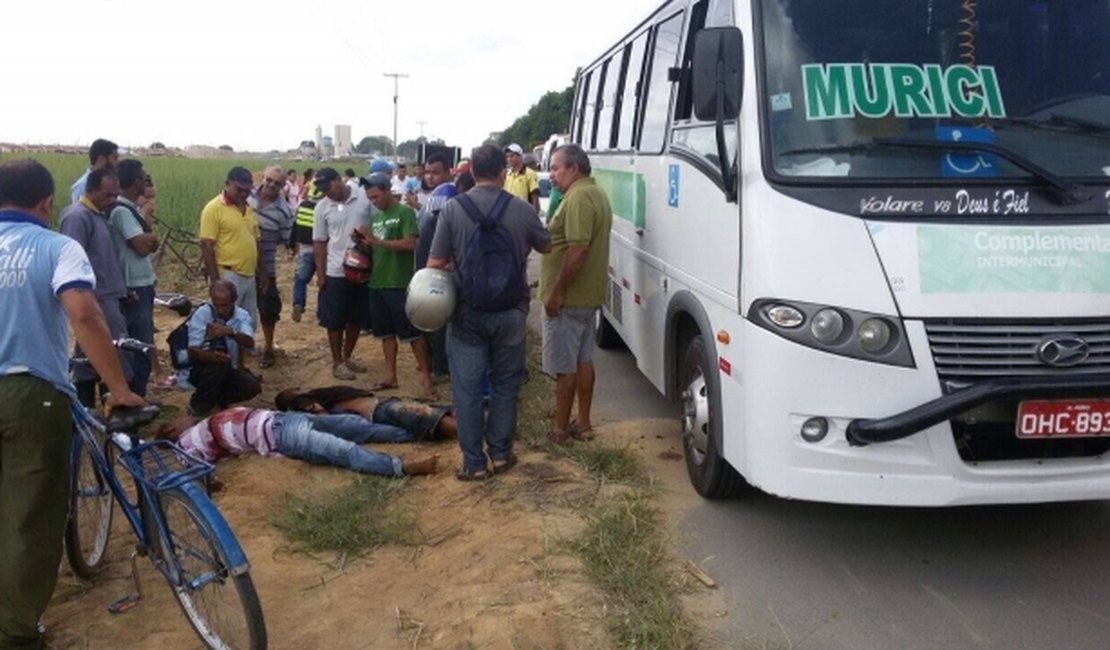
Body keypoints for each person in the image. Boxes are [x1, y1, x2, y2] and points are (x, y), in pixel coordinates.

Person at [0, 159, 144, 649]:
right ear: (46, 202)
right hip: (29, 392)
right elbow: (84, 313)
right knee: (32, 517)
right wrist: (119, 388)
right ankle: (18, 633)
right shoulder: (58, 247)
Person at [428, 144, 552, 480]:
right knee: (506, 385)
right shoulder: (522, 209)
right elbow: (547, 245)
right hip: (512, 310)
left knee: (467, 391)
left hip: (467, 313)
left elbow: (435, 263)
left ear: (470, 173)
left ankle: (474, 464)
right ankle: (500, 455)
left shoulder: (453, 209)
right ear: (503, 172)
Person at [540, 145, 613, 443]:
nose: (552, 175)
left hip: (569, 300)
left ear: (574, 168)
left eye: (556, 168)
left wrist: (556, 293)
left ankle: (560, 430)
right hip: (587, 296)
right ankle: (582, 424)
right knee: (583, 361)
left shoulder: (580, 197)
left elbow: (577, 251)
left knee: (564, 367)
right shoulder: (593, 193)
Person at [156, 407, 438, 478]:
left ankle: (421, 432)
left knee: (354, 427)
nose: (185, 416)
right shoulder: (185, 443)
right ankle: (399, 467)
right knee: (345, 448)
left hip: (282, 419)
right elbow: (196, 472)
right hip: (281, 435)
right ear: (170, 429)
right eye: (179, 419)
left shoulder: (202, 426)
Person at [59, 168, 137, 405]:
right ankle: (116, 412)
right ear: (89, 190)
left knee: (87, 358)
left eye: (115, 195)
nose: (112, 201)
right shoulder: (77, 217)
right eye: (106, 195)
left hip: (108, 297)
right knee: (114, 356)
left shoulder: (98, 215)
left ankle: (92, 415)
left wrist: (121, 290)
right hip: (96, 301)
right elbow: (72, 262)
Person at [355, 173, 436, 397]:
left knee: (412, 333)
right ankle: (390, 375)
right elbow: (373, 249)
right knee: (385, 333)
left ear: (387, 190)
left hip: (399, 282)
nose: (373, 201)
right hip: (377, 282)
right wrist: (362, 244)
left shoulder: (404, 212)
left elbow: (410, 244)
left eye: (376, 196)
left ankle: (426, 378)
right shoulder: (375, 218)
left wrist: (377, 241)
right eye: (370, 198)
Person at [108, 160, 163, 396]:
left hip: (140, 285)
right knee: (139, 346)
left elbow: (147, 240)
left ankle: (137, 395)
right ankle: (135, 397)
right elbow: (143, 245)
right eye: (143, 176)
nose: (146, 180)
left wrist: (147, 235)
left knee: (140, 342)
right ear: (136, 181)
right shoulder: (122, 210)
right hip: (135, 287)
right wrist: (149, 238)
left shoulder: (129, 209)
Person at [312, 167, 373, 380]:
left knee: (356, 318)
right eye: (322, 189)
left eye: (328, 186)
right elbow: (319, 242)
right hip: (335, 271)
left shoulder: (364, 199)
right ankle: (337, 361)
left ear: (339, 180)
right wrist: (320, 275)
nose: (326, 192)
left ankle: (348, 356)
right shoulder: (322, 207)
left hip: (362, 269)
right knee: (335, 319)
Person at [199, 166, 265, 326]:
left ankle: (245, 352)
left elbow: (255, 241)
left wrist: (263, 271)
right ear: (227, 184)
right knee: (226, 324)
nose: (243, 194)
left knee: (247, 324)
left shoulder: (248, 208)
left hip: (249, 276)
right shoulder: (213, 208)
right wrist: (216, 282)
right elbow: (207, 245)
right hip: (228, 276)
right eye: (239, 189)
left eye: (247, 190)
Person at [185, 280, 261, 416]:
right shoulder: (202, 313)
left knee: (252, 386)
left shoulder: (241, 315)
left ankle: (217, 401)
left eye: (224, 305)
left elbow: (249, 342)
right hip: (201, 370)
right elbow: (193, 350)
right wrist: (214, 357)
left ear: (233, 301)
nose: (220, 309)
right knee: (218, 366)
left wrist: (230, 331)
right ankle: (198, 407)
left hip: (228, 368)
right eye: (216, 305)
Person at [275, 385, 457, 439]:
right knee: (434, 419)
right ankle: (474, 435)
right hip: (378, 410)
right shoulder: (304, 400)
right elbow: (323, 417)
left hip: (380, 407)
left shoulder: (312, 396)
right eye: (295, 389)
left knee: (439, 414)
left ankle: (474, 431)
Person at [413, 153, 456, 378]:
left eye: (435, 172)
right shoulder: (432, 196)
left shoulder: (446, 195)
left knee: (437, 320)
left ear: (449, 172)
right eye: (427, 172)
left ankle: (441, 366)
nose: (429, 177)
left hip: (436, 270)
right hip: (424, 266)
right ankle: (432, 361)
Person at [248, 166, 294, 368]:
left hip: (266, 267)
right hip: (237, 264)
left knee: (268, 309)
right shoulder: (245, 195)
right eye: (269, 180)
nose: (271, 185)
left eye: (277, 183)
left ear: (283, 186)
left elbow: (286, 240)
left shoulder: (285, 212)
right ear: (262, 178)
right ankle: (238, 347)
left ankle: (268, 348)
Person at [69, 138, 119, 204]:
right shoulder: (82, 185)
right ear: (101, 159)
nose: (118, 162)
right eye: (114, 158)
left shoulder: (112, 182)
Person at [503, 143, 540, 213]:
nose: (509, 159)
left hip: (523, 213)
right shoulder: (507, 174)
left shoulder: (529, 173)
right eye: (507, 157)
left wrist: (534, 216)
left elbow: (535, 197)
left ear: (520, 156)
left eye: (512, 156)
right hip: (508, 213)